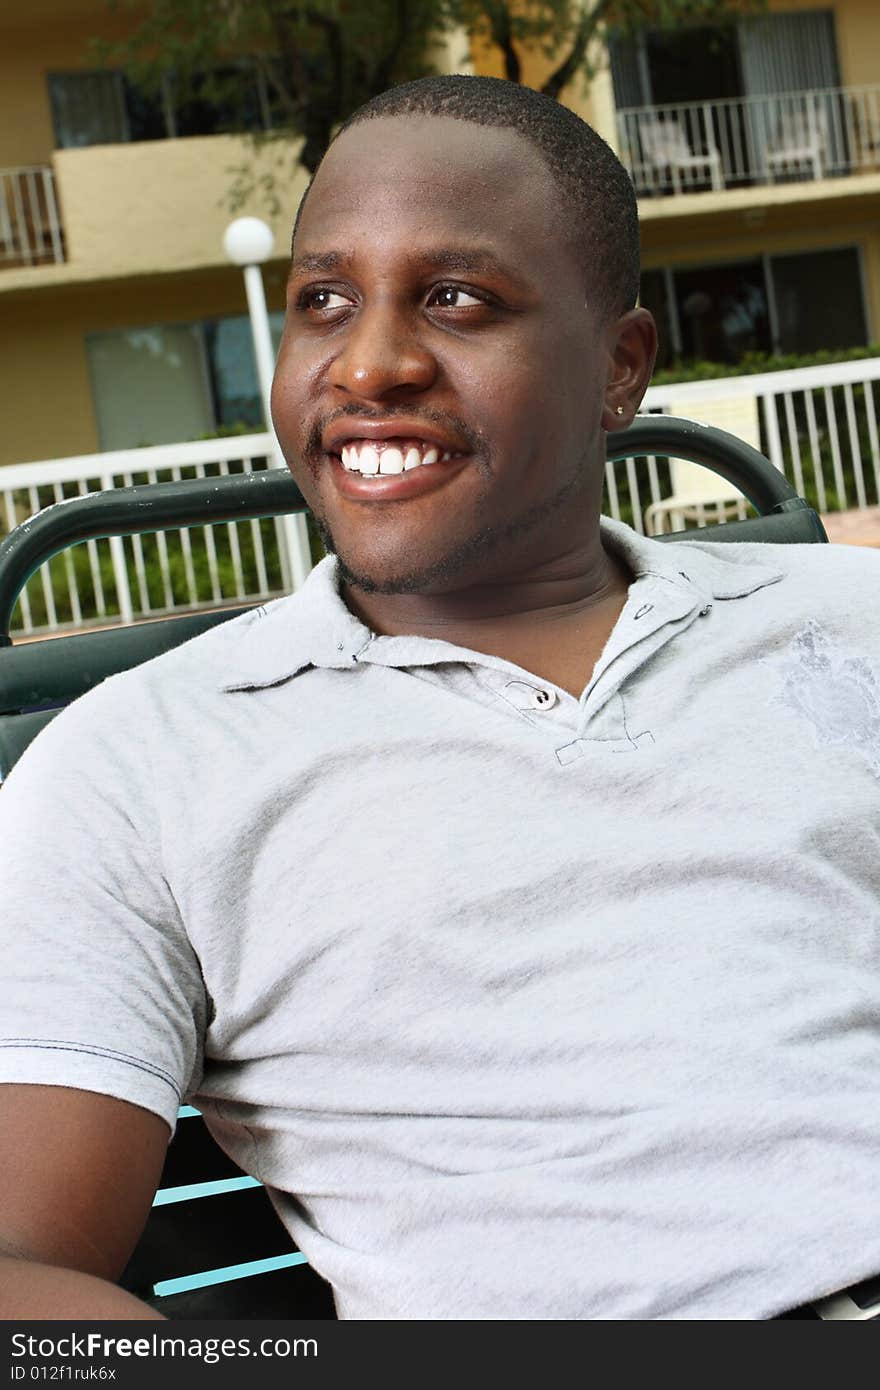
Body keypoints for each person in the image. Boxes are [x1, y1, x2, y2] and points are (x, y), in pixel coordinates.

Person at [2, 73, 880, 1323]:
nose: (369, 363)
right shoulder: (138, 767)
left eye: (456, 298)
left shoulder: (847, 623)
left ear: (619, 368)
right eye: (323, 302)